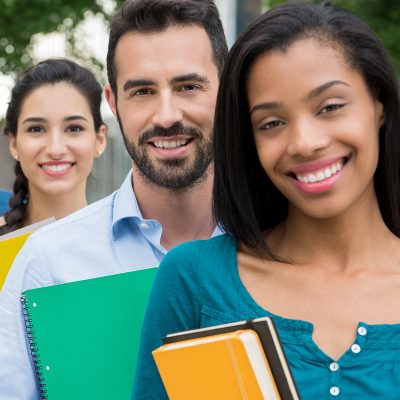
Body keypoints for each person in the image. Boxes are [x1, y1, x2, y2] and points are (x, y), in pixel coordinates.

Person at [133, 2, 400, 399]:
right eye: (271, 123)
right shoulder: (194, 280)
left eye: (330, 107)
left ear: (378, 105)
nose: (306, 142)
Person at [0, 0, 227, 399]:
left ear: (227, 87)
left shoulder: (284, 243)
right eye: (142, 91)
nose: (167, 115)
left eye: (188, 86)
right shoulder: (46, 264)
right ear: (114, 101)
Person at [0, 59, 107, 235]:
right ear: (13, 143)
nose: (55, 149)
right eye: (36, 129)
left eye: (74, 128)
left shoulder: (130, 250)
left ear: (100, 139)